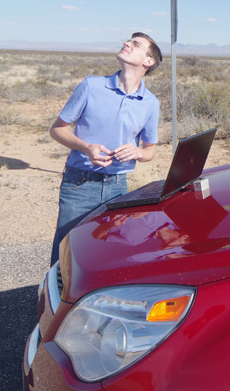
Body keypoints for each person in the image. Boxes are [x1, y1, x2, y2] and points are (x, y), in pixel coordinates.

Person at [49, 33, 162, 264]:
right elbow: (57, 130)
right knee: (67, 252)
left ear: (148, 61)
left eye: (136, 44)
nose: (127, 43)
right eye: (128, 40)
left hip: (118, 187)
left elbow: (150, 150)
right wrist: (86, 147)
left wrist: (138, 152)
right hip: (79, 184)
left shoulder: (150, 102)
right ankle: (54, 299)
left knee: (108, 254)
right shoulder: (91, 86)